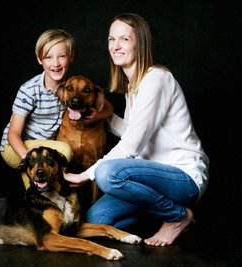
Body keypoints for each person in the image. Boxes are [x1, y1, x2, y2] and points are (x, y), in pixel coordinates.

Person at [62, 13, 209, 247]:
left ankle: (178, 216)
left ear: (140, 43)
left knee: (107, 173)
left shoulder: (156, 79)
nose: (116, 46)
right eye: (112, 39)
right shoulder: (133, 85)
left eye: (124, 39)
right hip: (147, 182)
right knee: (94, 220)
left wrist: (85, 174)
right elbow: (133, 131)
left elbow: (131, 146)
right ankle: (159, 212)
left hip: (182, 177)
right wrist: (105, 116)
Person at [0, 28, 112, 190]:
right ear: (40, 59)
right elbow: (13, 133)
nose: (56, 63)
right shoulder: (29, 90)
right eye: (48, 57)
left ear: (71, 57)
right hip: (15, 147)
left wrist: (97, 115)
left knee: (43, 189)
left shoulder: (70, 86)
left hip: (44, 148)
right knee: (61, 155)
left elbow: (108, 106)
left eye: (62, 56)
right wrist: (28, 157)